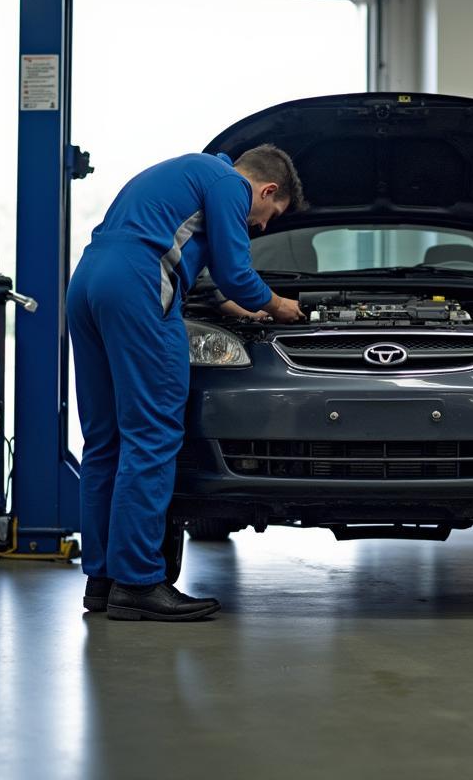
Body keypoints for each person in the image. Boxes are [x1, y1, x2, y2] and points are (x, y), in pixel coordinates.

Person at [66, 144, 305, 621]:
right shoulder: (230, 185)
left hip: (91, 281)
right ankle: (138, 583)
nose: (260, 226)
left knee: (105, 441)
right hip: (138, 284)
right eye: (268, 215)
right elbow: (237, 273)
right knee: (152, 437)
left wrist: (235, 307)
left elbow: (196, 268)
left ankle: (104, 579)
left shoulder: (189, 173)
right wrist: (280, 306)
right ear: (267, 189)